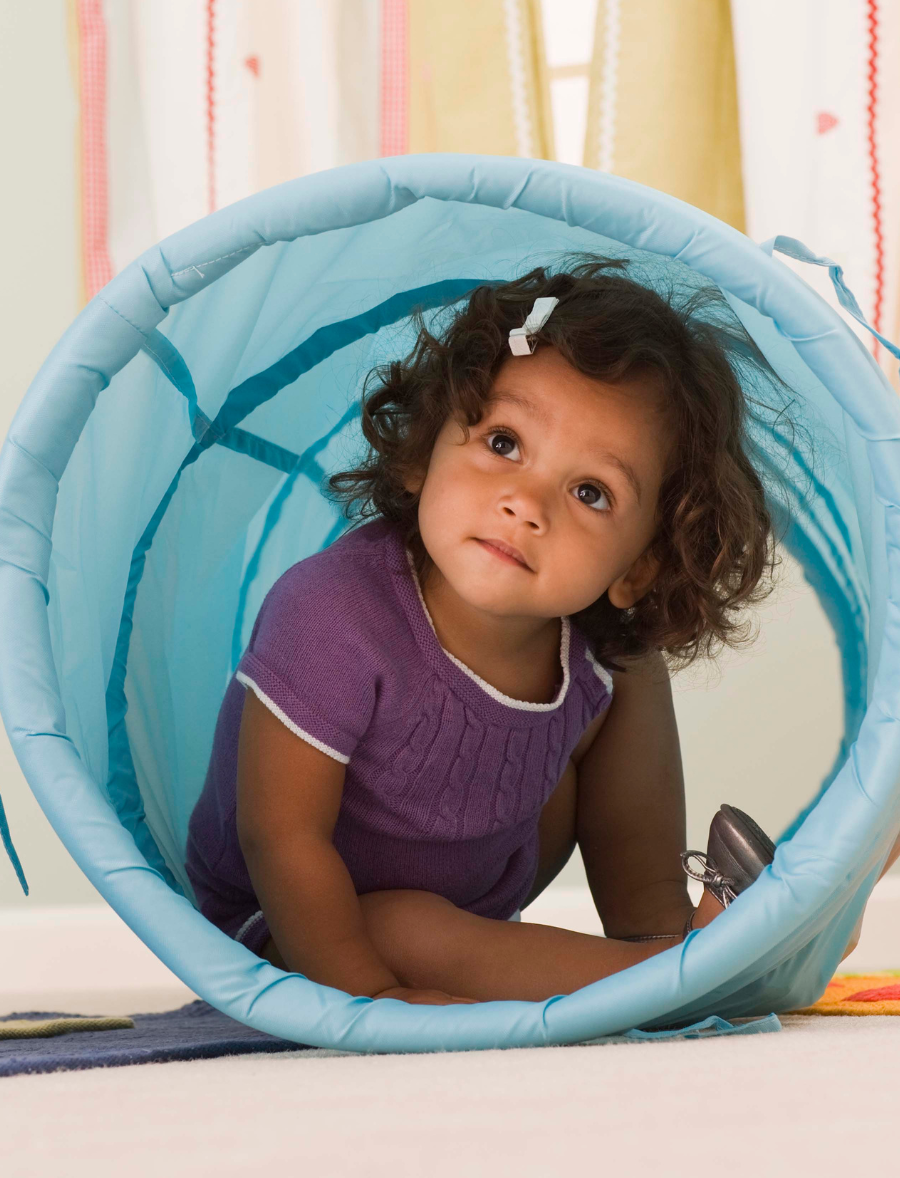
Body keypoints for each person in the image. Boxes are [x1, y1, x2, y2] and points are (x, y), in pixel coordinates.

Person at [183, 256, 884, 1006]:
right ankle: (702, 978)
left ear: (638, 567)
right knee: (404, 927)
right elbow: (278, 838)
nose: (526, 501)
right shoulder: (330, 614)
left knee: (626, 660)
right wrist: (365, 1003)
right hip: (289, 923)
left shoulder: (597, 649)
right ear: (425, 447)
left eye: (590, 492)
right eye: (504, 444)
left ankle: (668, 946)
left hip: (477, 880)